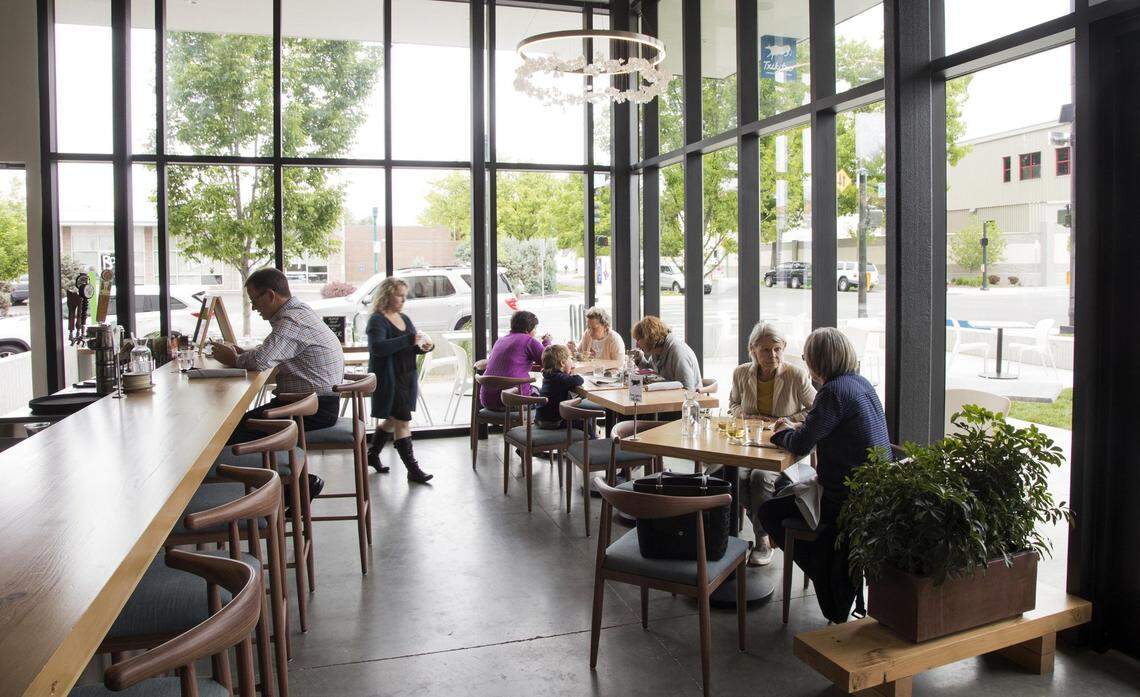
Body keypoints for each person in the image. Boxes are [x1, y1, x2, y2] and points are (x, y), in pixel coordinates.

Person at [757, 327, 890, 622]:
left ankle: (824, 567)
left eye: (807, 357)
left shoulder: (832, 392)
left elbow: (802, 443)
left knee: (769, 510)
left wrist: (779, 434)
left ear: (816, 361)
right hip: (874, 495)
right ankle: (827, 560)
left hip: (843, 501)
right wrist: (794, 431)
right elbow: (817, 430)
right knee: (782, 486)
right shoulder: (860, 384)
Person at [211, 267, 345, 501]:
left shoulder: (291, 320)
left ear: (271, 295)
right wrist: (243, 354)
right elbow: (272, 352)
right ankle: (297, 486)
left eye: (255, 300)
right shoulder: (298, 312)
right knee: (236, 427)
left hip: (312, 408)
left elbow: (262, 360)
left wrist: (233, 359)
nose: (253, 307)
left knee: (226, 434)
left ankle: (289, 488)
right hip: (313, 402)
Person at [364, 277, 434, 484]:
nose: (403, 299)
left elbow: (409, 345)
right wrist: (408, 340)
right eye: (399, 295)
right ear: (387, 295)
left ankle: (372, 454)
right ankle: (413, 470)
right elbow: (377, 348)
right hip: (389, 379)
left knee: (394, 419)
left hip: (406, 376)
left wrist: (423, 347)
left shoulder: (403, 317)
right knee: (403, 421)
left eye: (405, 295)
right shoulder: (377, 320)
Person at [480, 310, 550, 411]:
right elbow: (550, 359)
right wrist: (547, 342)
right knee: (548, 396)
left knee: (534, 389)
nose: (535, 332)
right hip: (512, 402)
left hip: (488, 401)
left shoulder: (501, 340)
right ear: (528, 329)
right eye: (535, 328)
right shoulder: (528, 340)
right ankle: (555, 425)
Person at [629, 315, 701, 390]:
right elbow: (652, 372)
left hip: (686, 399)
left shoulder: (678, 352)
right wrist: (640, 359)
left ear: (649, 337)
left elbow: (687, 389)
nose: (637, 344)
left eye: (638, 340)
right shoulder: (657, 351)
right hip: (667, 397)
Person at [535, 344, 584, 430]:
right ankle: (591, 441)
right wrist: (571, 374)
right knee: (585, 422)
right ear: (562, 363)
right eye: (570, 359)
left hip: (540, 419)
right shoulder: (560, 378)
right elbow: (579, 380)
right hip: (553, 422)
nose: (572, 362)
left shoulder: (548, 375)